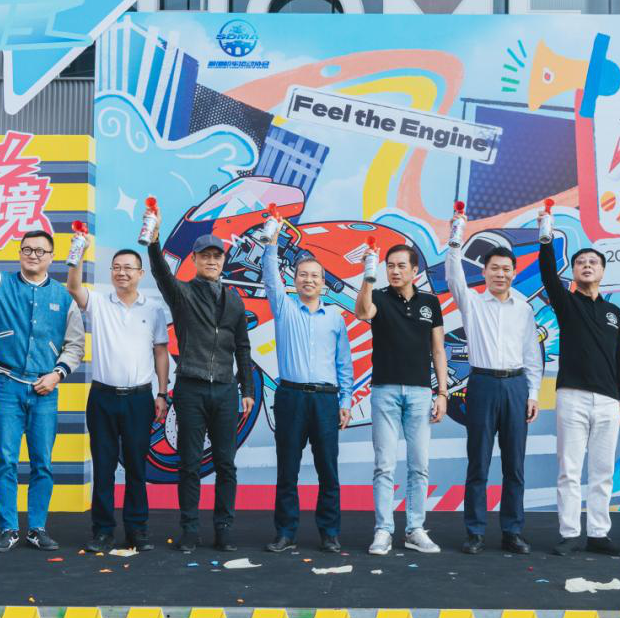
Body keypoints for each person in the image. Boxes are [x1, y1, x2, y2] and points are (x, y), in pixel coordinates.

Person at [0, 226, 83, 552]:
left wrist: (57, 374)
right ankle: (8, 528)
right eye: (27, 249)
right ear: (19, 253)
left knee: (42, 462)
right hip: (6, 385)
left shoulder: (64, 297)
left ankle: (37, 528)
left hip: (45, 389)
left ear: (51, 257)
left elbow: (75, 346)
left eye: (40, 251)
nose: (33, 255)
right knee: (6, 460)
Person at [147, 228, 255, 554]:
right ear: (194, 260)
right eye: (205, 256)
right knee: (190, 464)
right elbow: (161, 273)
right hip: (190, 388)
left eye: (216, 256)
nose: (211, 261)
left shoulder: (234, 300)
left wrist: (247, 389)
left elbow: (242, 347)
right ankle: (190, 530)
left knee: (226, 465)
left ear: (223, 261)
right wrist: (154, 241)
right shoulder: (182, 293)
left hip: (225, 390)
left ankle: (224, 529)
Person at [444, 208, 543, 555]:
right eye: (495, 268)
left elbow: (532, 355)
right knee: (479, 463)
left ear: (514, 272)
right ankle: (474, 532)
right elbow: (453, 277)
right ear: (484, 272)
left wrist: (533, 393)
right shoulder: (472, 302)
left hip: (516, 387)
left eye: (506, 269)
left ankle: (512, 531)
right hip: (483, 385)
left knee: (514, 465)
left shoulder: (524, 309)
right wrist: (455, 238)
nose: (501, 274)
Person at [66, 245, 170, 552]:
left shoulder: (153, 309)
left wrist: (162, 392)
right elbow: (73, 287)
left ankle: (137, 530)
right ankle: (103, 531)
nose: (121, 272)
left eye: (128, 268)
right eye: (116, 267)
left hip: (139, 398)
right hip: (103, 397)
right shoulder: (99, 302)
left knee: (137, 466)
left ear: (140, 273)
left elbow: (160, 352)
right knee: (104, 467)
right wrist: (77, 253)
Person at [537, 224, 620, 557]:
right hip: (572, 396)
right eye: (580, 263)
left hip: (608, 401)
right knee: (570, 469)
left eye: (593, 262)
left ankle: (599, 533)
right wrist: (545, 239)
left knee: (603, 471)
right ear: (574, 272)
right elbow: (548, 276)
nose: (587, 266)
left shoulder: (614, 313)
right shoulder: (566, 302)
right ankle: (570, 533)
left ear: (602, 271)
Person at [260, 237, 354, 554]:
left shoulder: (335, 318)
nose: (309, 280)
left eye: (315, 275)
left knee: (328, 469)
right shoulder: (284, 308)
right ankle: (285, 533)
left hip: (326, 400)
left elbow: (344, 364)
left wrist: (345, 401)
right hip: (291, 397)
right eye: (303, 274)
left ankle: (329, 533)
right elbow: (270, 276)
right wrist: (271, 242)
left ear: (323, 282)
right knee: (288, 469)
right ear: (295, 278)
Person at [355, 243, 449, 556]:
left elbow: (438, 350)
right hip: (385, 391)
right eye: (390, 266)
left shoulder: (430, 302)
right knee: (384, 465)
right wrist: (368, 277)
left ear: (414, 270)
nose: (394, 271)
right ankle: (383, 530)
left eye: (401, 266)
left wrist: (442, 392)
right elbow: (362, 312)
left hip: (421, 393)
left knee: (419, 465)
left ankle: (414, 530)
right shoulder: (379, 297)